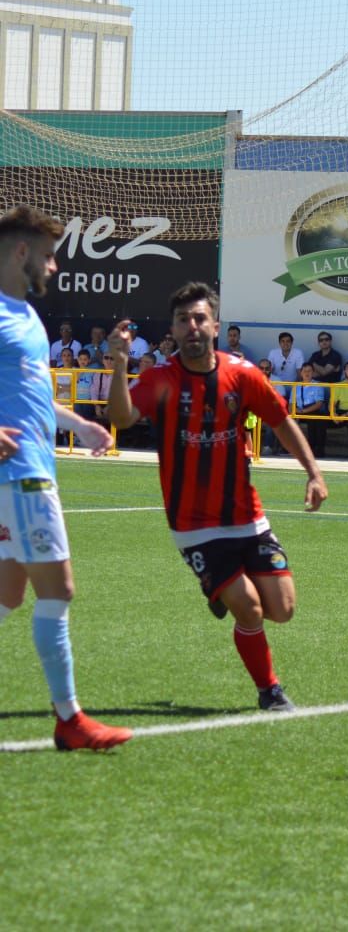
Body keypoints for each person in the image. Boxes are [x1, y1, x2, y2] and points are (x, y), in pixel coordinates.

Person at [107, 283, 327, 713]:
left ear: (216, 325)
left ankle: (217, 592)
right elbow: (121, 416)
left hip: (247, 516)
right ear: (172, 328)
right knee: (249, 610)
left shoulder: (242, 374)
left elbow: (280, 421)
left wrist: (314, 474)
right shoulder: (161, 379)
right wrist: (118, 364)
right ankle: (271, 691)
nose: (192, 326)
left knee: (282, 609)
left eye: (199, 318)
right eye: (183, 320)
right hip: (194, 526)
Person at [0, 205, 132, 751]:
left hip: (23, 473)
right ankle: (70, 719)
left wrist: (79, 424)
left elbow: (32, 395)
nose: (55, 267)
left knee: (7, 594)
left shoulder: (27, 316)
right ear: (22, 253)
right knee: (60, 592)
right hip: (24, 476)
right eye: (50, 256)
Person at [293, 361, 330, 458]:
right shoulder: (296, 386)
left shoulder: (317, 385)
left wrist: (303, 412)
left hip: (311, 411)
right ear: (301, 373)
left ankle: (317, 450)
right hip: (298, 411)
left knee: (318, 420)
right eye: (304, 371)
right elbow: (291, 403)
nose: (307, 373)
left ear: (313, 373)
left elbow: (319, 404)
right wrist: (292, 412)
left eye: (309, 371)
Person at [266, 331, 303, 402]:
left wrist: (294, 388)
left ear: (292, 343)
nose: (285, 343)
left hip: (293, 385)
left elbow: (300, 373)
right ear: (279, 343)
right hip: (277, 385)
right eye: (283, 341)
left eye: (288, 341)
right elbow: (269, 371)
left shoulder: (298, 353)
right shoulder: (273, 353)